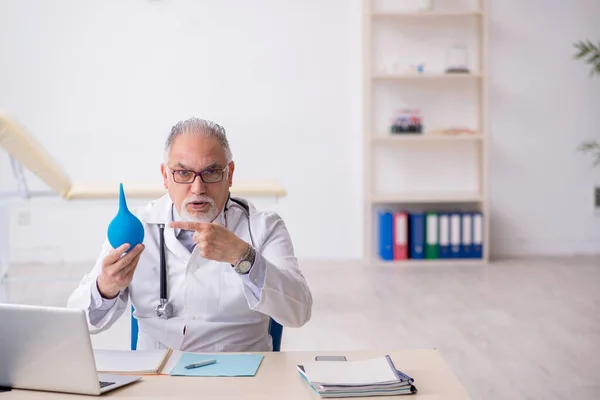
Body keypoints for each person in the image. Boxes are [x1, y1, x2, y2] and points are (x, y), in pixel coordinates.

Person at [67, 118, 313, 352]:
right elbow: (78, 321)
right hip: (156, 379)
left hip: (239, 376)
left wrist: (243, 256)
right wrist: (105, 287)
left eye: (212, 172)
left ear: (230, 174)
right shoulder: (136, 228)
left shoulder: (263, 228)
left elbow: (298, 311)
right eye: (183, 173)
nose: (198, 188)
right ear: (165, 176)